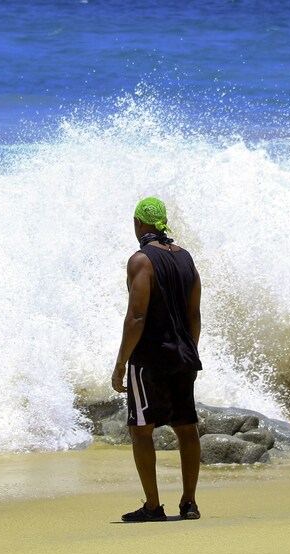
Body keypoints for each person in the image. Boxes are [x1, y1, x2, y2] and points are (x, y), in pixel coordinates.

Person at [111, 196, 203, 522]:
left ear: (139, 224)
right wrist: (188, 349)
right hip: (184, 354)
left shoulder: (140, 261)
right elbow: (194, 314)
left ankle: (153, 506)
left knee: (141, 429)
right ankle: (189, 503)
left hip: (149, 358)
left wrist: (121, 362)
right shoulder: (186, 259)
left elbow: (136, 317)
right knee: (186, 427)